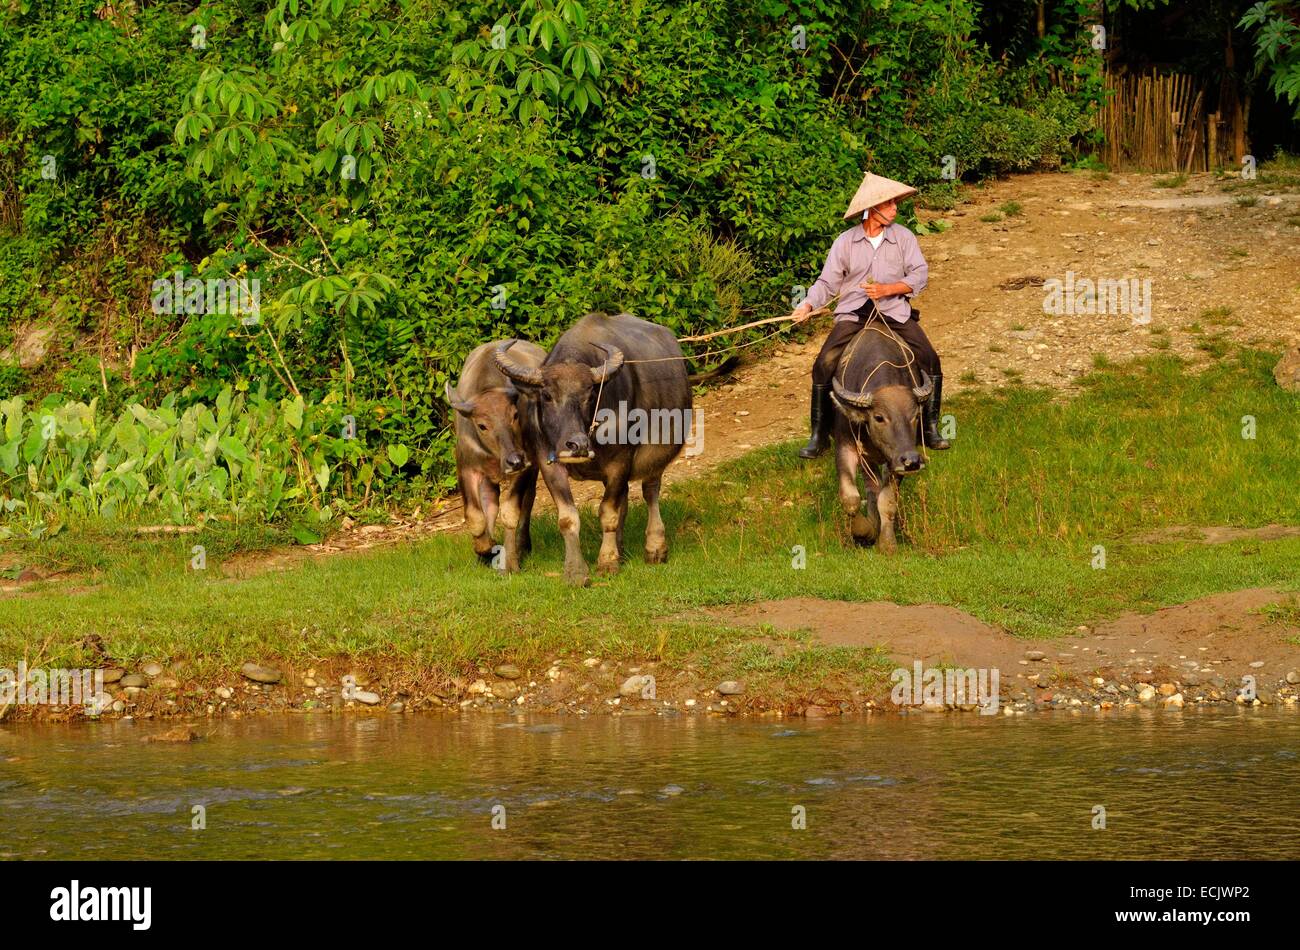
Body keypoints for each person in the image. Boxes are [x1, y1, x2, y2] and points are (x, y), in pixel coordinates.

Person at [791, 171, 949, 458]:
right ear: (871, 209)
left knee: (930, 358)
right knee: (824, 363)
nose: (895, 209)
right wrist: (808, 305)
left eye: (895, 203)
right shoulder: (845, 242)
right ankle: (818, 435)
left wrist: (889, 289)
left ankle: (930, 427)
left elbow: (919, 275)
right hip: (854, 314)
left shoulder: (904, 237)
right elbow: (827, 283)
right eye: (889, 204)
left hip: (894, 313)